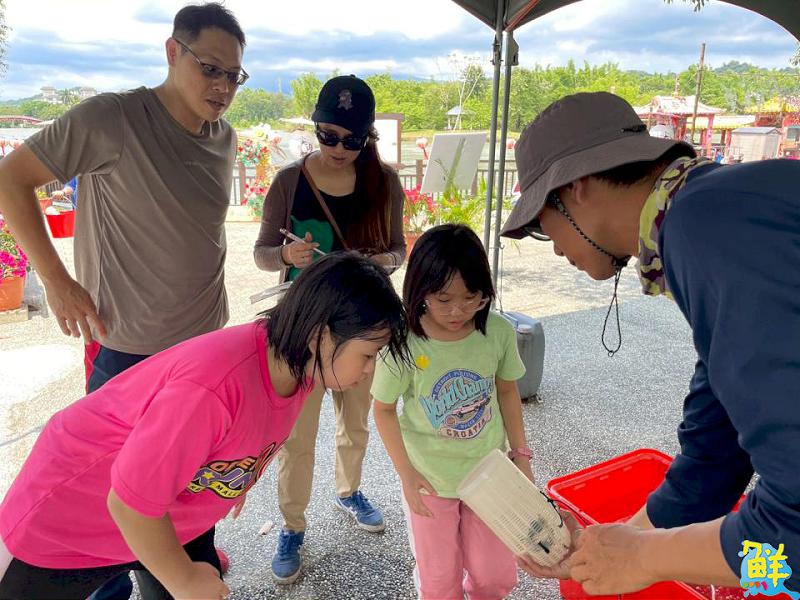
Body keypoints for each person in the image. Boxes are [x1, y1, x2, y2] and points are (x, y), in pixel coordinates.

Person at [502, 91, 800, 595]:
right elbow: (715, 448)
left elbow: (788, 543)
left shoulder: (702, 228)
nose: (552, 245)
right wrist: (614, 545)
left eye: (538, 223)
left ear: (575, 188)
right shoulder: (709, 210)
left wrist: (644, 557)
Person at [0, 4, 248, 597]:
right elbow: (11, 177)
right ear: (172, 52)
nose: (221, 87)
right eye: (210, 68)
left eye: (234, 76)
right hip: (131, 358)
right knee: (111, 516)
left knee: (188, 509)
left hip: (206, 358)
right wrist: (56, 279)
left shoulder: (225, 137)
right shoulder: (112, 118)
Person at [0, 252, 409, 600]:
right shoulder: (213, 387)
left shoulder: (298, 365)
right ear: (319, 335)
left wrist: (236, 478)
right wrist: (183, 580)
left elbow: (251, 430)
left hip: (165, 508)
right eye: (369, 354)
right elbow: (127, 503)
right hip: (68, 516)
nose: (370, 370)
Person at [253, 74, 407, 583]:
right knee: (295, 436)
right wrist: (286, 254)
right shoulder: (289, 183)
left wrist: (380, 259)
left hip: (362, 327)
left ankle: (349, 490)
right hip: (304, 329)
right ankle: (292, 526)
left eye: (352, 139)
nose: (339, 148)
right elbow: (260, 254)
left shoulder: (384, 183)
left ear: (368, 138)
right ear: (316, 128)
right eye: (329, 135)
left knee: (357, 420)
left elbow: (399, 248)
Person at [371, 224, 532, 600]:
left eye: (471, 297)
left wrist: (521, 456)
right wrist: (406, 475)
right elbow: (383, 410)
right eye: (443, 300)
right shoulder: (404, 344)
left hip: (490, 474)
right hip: (430, 481)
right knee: (439, 582)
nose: (458, 310)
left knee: (494, 577)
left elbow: (507, 390)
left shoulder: (497, 332)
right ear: (419, 291)